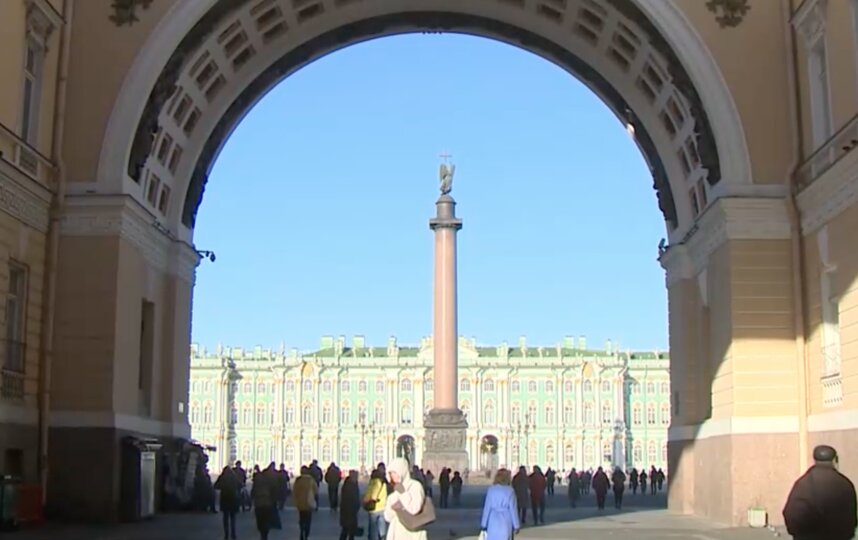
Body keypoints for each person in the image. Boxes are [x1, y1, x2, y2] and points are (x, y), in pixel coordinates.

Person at [783, 445, 857, 540]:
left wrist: (798, 533)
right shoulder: (845, 484)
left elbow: (791, 513)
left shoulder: (803, 483)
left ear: (814, 460)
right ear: (835, 460)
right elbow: (851, 518)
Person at [383, 457, 428, 540]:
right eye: (391, 473)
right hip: (396, 533)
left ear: (402, 471)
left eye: (395, 472)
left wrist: (403, 493)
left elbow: (414, 509)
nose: (392, 475)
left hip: (413, 533)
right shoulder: (393, 491)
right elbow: (388, 517)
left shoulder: (415, 486)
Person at [480, 469, 521, 540]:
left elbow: (487, 508)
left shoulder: (491, 490)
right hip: (506, 519)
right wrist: (516, 525)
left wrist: (484, 524)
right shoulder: (510, 491)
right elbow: (513, 510)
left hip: (493, 520)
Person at [251, 463, 277, 540]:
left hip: (258, 504)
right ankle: (265, 534)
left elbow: (253, 492)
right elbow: (274, 491)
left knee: (260, 520)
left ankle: (262, 534)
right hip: (267, 504)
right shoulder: (269, 482)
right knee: (266, 520)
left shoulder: (257, 482)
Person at [214, 466, 240, 540]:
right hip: (233, 499)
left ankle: (226, 534)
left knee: (225, 518)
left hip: (225, 499)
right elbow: (240, 485)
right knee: (233, 518)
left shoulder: (222, 477)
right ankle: (233, 534)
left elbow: (216, 486)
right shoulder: (234, 477)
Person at [294, 465, 319, 540]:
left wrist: (297, 500)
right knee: (308, 520)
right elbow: (316, 491)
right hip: (309, 503)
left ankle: (302, 530)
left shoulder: (298, 480)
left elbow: (295, 491)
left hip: (300, 504)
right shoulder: (311, 480)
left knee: (302, 518)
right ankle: (306, 533)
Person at [363, 468, 388, 540]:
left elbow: (372, 494)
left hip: (374, 508)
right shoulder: (384, 482)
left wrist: (365, 500)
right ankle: (382, 537)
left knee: (373, 528)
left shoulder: (375, 482)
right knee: (382, 526)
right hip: (382, 507)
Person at [339, 470, 361, 540]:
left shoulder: (352, 484)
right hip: (348, 511)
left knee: (350, 530)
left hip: (352, 511)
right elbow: (349, 498)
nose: (356, 478)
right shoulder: (349, 485)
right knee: (346, 529)